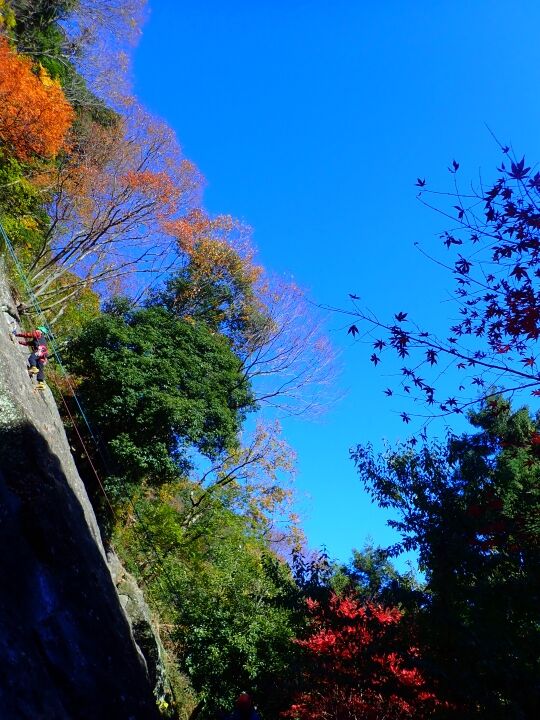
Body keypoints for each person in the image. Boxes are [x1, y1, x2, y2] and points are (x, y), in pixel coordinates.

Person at [16, 325, 49, 390]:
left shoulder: (39, 333)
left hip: (40, 351)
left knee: (32, 358)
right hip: (44, 356)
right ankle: (41, 383)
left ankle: (33, 368)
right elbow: (28, 343)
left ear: (41, 331)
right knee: (40, 368)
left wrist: (18, 334)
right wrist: (20, 342)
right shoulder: (39, 340)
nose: (36, 330)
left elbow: (29, 335)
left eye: (37, 329)